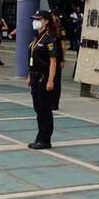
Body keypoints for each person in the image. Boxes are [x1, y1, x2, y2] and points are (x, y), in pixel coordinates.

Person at [27, 10, 58, 150]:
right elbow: (31, 60)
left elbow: (53, 61)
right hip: (34, 76)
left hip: (44, 77)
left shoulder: (49, 38)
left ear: (46, 21)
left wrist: (51, 80)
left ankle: (46, 139)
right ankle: (40, 136)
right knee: (38, 108)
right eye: (34, 19)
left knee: (45, 108)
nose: (35, 21)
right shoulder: (36, 37)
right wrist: (29, 75)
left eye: (38, 19)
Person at [51, 12, 69, 110]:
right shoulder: (48, 28)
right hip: (49, 58)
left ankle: (55, 103)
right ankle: (49, 101)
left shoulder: (60, 30)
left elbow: (63, 46)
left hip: (57, 58)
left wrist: (62, 59)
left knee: (56, 81)